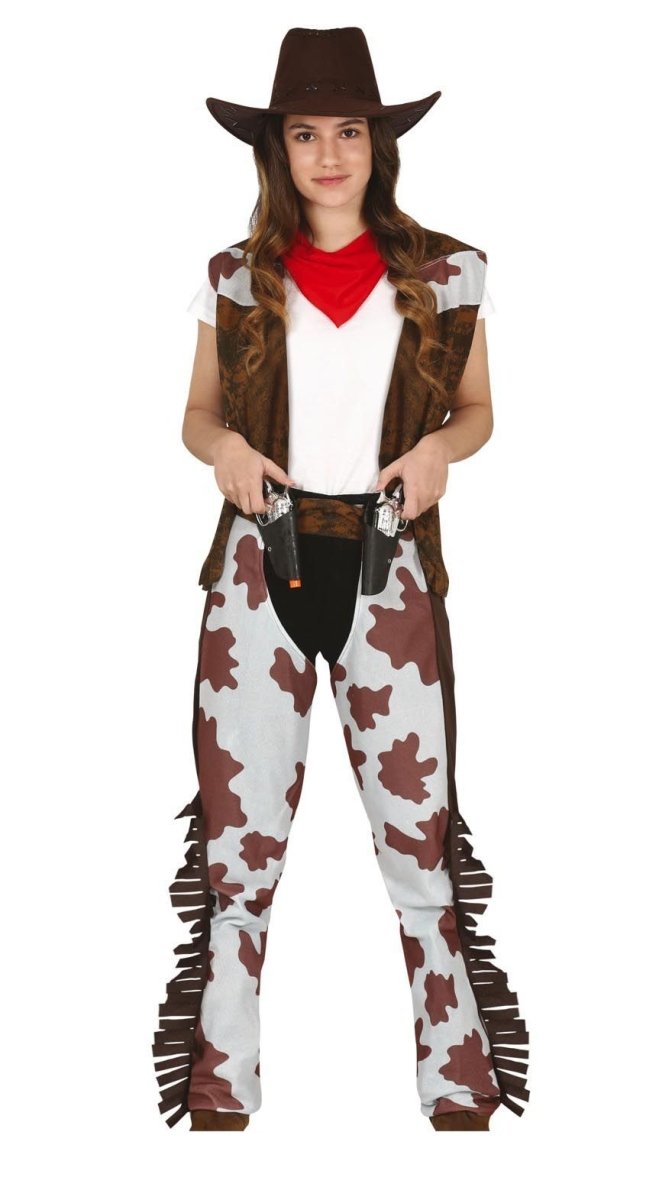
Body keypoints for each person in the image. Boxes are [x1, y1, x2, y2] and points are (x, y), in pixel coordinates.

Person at [151, 26, 529, 1133]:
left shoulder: (448, 273)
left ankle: (460, 1085)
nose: (329, 154)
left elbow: (477, 411)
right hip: (257, 569)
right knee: (239, 847)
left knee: (418, 839)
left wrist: (440, 451)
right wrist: (221, 450)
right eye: (306, 133)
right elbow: (197, 415)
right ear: (278, 148)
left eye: (349, 131)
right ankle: (219, 1089)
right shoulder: (234, 277)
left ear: (378, 144)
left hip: (388, 563)